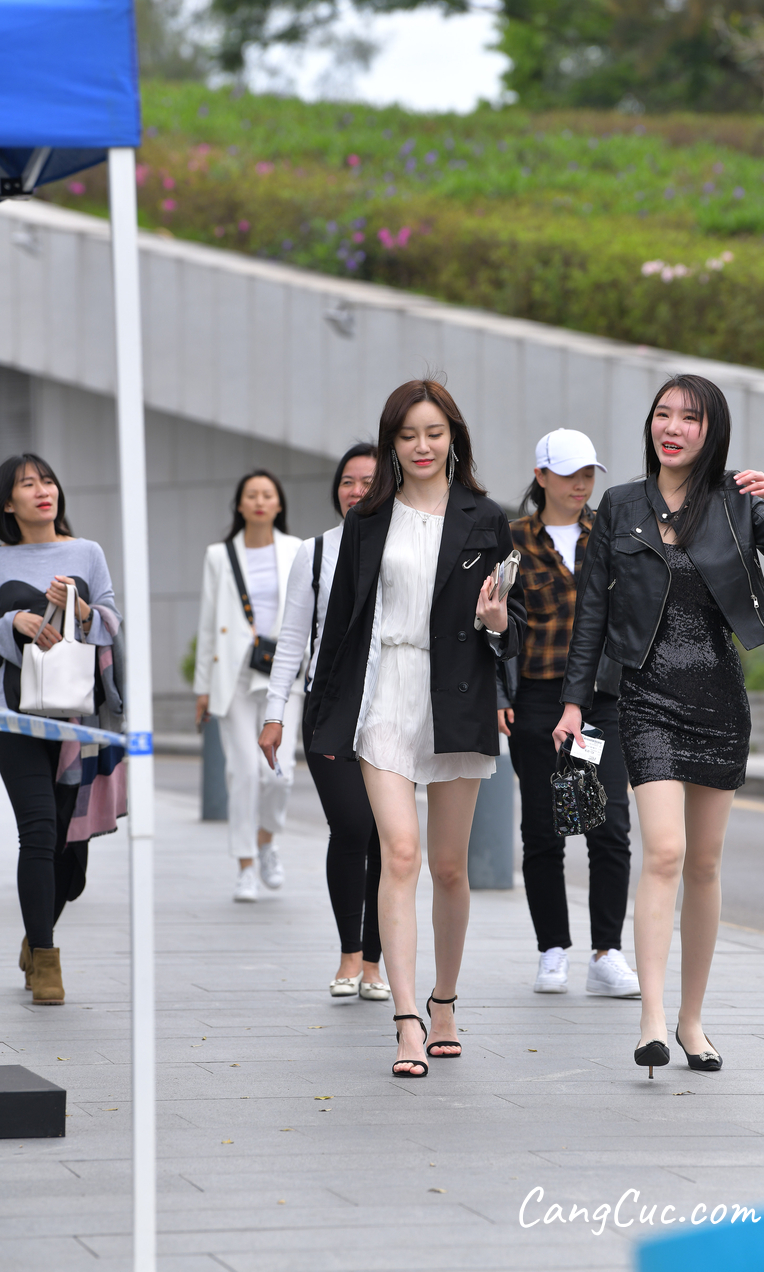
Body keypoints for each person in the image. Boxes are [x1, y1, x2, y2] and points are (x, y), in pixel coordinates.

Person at [553, 375, 764, 1076]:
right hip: (645, 697)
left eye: (688, 418)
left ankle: (691, 1020)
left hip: (719, 698)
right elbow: (592, 613)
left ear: (711, 430)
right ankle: (650, 1018)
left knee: (703, 862)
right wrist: (575, 702)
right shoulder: (619, 506)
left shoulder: (737, 502)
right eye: (662, 415)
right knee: (665, 851)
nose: (671, 428)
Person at [308, 379, 526, 1078]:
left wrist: (499, 621)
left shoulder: (484, 518)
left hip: (458, 694)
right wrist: (321, 716)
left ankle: (444, 1002)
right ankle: (405, 1019)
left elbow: (513, 624)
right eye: (408, 436)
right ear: (391, 444)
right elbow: (341, 624)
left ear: (453, 437)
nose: (422, 446)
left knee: (448, 866)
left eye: (434, 433)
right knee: (399, 854)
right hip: (386, 695)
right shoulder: (369, 518)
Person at [499, 429, 639, 998]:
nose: (581, 484)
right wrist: (500, 696)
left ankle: (606, 952)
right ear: (541, 476)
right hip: (536, 700)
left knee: (609, 825)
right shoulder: (511, 540)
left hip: (601, 699)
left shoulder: (610, 532)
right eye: (568, 474)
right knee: (543, 829)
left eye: (588, 474)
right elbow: (495, 623)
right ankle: (552, 949)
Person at [258, 443, 390, 1001]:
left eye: (368, 481)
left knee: (388, 835)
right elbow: (291, 640)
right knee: (353, 825)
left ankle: (376, 963)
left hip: (392, 707)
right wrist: (274, 713)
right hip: (328, 707)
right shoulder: (314, 553)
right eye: (347, 482)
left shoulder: (405, 546)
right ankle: (349, 954)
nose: (356, 491)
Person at [0, 453, 122, 1005]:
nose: (42, 490)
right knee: (39, 830)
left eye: (47, 480)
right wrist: (15, 622)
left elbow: (112, 623)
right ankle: (46, 961)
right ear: (8, 503)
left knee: (70, 855)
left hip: (75, 719)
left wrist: (79, 609)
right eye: (27, 484)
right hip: (12, 717)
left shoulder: (86, 552)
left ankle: (35, 936)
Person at [194, 470, 302, 902]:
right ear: (239, 505)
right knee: (242, 772)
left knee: (279, 774)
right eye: (251, 495)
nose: (259, 501)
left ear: (279, 504)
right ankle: (245, 865)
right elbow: (207, 622)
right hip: (235, 674)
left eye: (267, 494)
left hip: (284, 672)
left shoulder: (296, 550)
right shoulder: (219, 555)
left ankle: (265, 840)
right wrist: (203, 688)